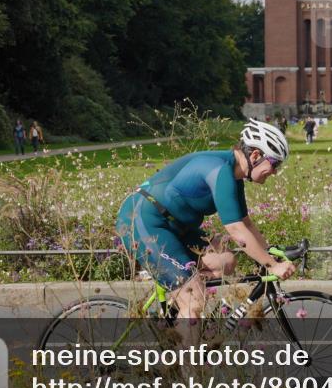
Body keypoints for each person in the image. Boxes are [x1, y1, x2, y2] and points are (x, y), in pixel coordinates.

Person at [115, 119, 296, 320]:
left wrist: (270, 253)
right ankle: (185, 311)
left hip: (175, 226)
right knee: (195, 301)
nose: (275, 171)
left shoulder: (234, 177)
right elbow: (236, 230)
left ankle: (177, 312)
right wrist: (272, 265)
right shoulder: (220, 171)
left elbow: (246, 224)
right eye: (274, 164)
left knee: (225, 261)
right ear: (255, 155)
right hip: (144, 220)